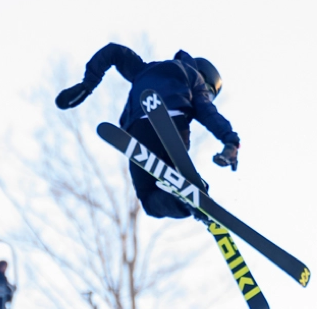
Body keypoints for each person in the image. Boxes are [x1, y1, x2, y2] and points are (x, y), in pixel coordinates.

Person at [54, 46, 239, 221]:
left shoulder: (144, 69)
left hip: (139, 131)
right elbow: (208, 112)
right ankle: (190, 194)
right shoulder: (193, 78)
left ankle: (185, 201)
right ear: (204, 77)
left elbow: (114, 51)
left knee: (149, 200)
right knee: (174, 176)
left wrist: (87, 84)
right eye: (208, 92)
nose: (206, 96)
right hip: (175, 128)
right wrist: (230, 140)